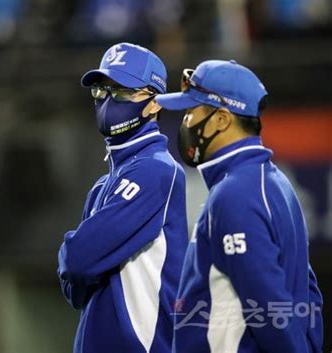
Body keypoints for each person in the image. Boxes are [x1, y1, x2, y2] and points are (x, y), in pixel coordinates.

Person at [154, 59, 323, 353]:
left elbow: (267, 303)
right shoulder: (270, 182)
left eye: (191, 111)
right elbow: (308, 294)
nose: (186, 122)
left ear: (221, 120)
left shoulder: (236, 193)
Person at [57, 42, 188, 353]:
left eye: (122, 91)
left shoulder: (157, 170)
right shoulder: (103, 187)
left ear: (154, 103)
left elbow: (77, 258)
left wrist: (78, 256)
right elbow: (73, 289)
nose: (107, 100)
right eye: (101, 90)